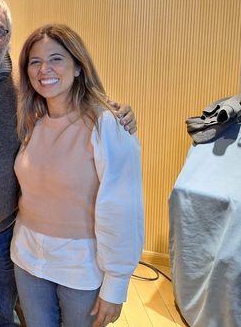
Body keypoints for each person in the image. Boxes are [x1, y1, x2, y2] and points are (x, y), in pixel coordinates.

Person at [0, 0, 136, 327]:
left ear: (8, 38)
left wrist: (113, 112)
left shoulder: (30, 90)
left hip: (1, 233)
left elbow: (77, 103)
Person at [12, 24, 144, 327]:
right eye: (35, 62)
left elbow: (122, 206)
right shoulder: (30, 121)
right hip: (28, 260)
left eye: (56, 59)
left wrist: (116, 283)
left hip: (80, 267)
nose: (44, 69)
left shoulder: (106, 124)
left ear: (77, 68)